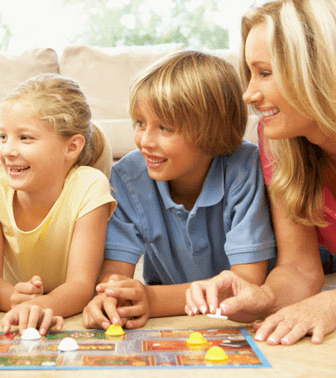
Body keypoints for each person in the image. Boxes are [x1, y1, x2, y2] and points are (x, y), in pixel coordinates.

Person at [185, 0, 336, 345]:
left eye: (264, 73)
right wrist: (262, 296)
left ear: (323, 71)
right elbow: (300, 269)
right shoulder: (278, 144)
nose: (249, 94)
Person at [82, 50, 276, 330]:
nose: (145, 141)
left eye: (164, 128)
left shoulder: (245, 169)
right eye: (140, 123)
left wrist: (152, 299)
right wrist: (111, 297)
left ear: (211, 130)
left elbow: (246, 284)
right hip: (181, 313)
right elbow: (115, 272)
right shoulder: (127, 177)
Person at [0, 73, 116, 335]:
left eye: (25, 138)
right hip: (21, 303)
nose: (7, 150)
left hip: (61, 305)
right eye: (3, 137)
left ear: (71, 147)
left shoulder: (89, 186)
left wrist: (41, 306)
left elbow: (81, 285)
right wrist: (15, 300)